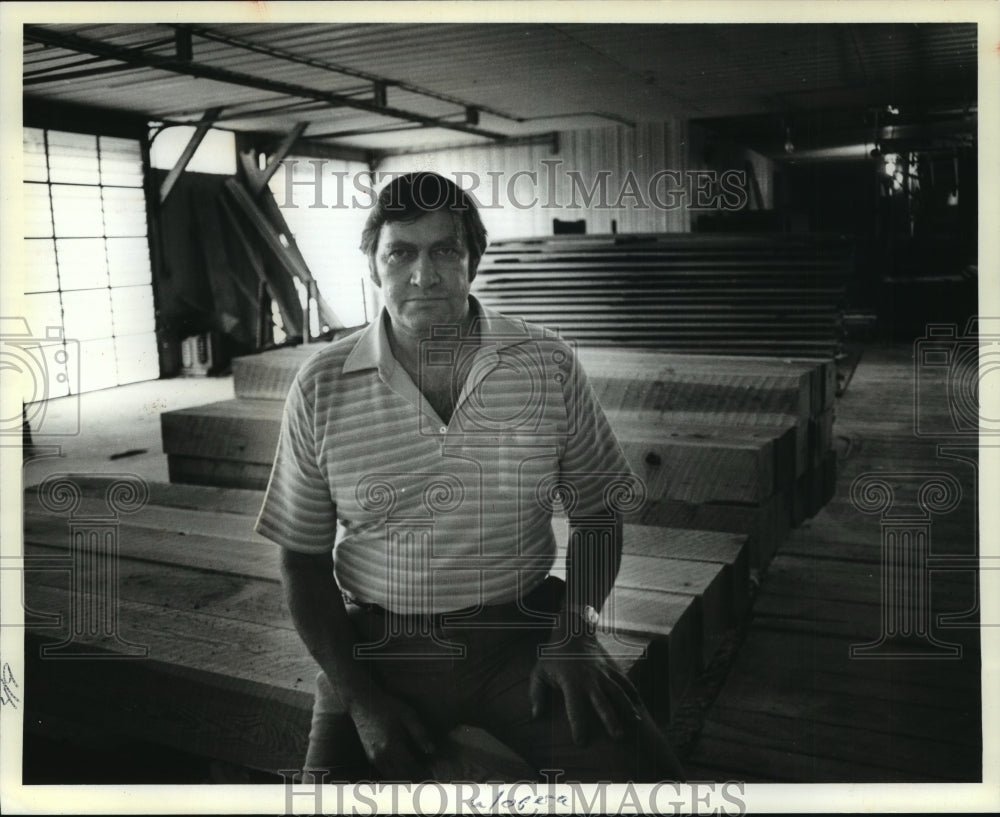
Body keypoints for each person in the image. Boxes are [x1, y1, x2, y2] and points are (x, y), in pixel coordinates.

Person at [255, 172, 684, 783]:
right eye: (400, 252)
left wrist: (573, 632)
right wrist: (361, 699)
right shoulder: (323, 384)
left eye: (445, 251)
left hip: (522, 636)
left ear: (473, 261)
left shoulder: (546, 364)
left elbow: (597, 513)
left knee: (653, 786)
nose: (422, 275)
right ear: (375, 265)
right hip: (378, 652)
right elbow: (300, 562)